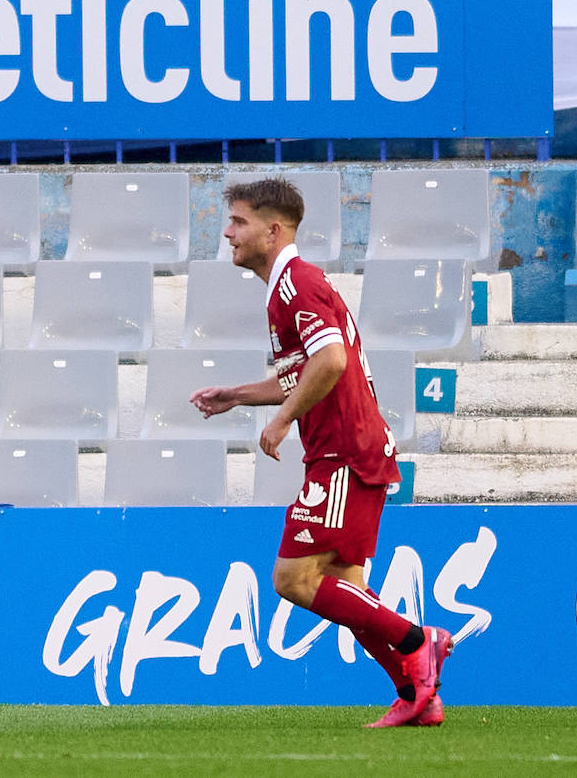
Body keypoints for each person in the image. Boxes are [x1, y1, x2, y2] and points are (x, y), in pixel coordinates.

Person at [190, 178, 452, 728]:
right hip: (351, 450)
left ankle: (418, 639)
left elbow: (330, 361)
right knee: (347, 589)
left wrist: (283, 421)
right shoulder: (287, 287)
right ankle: (416, 694)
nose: (228, 232)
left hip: (344, 454)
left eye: (238, 222)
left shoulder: (297, 285)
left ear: (273, 229)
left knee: (293, 580)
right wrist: (236, 395)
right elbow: (303, 373)